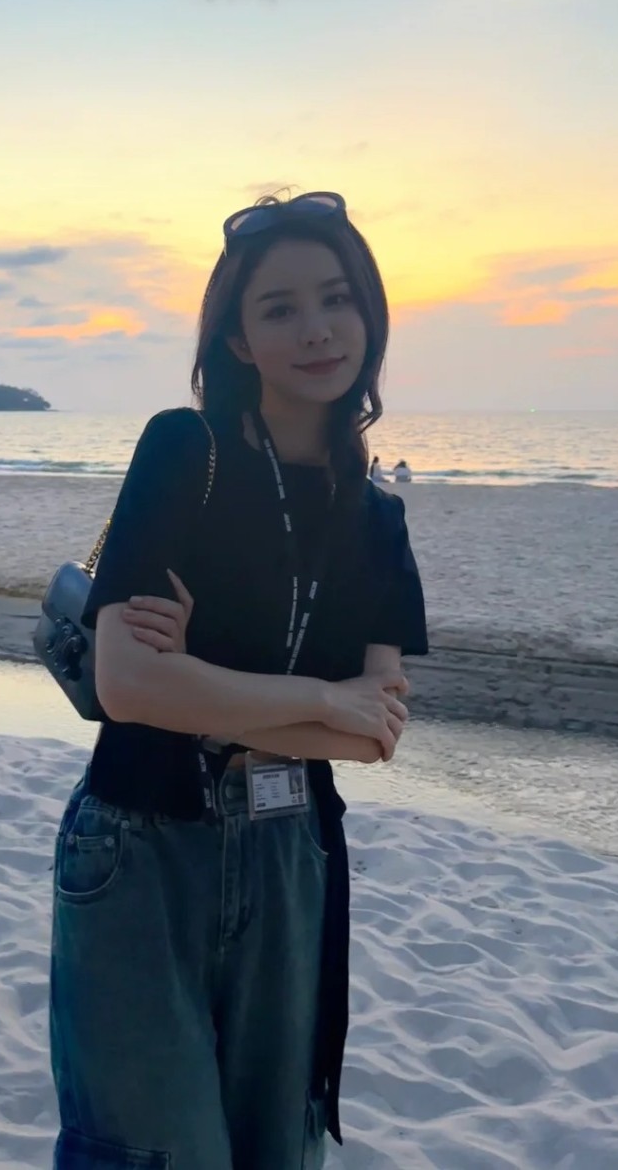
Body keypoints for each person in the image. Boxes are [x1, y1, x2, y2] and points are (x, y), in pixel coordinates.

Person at [50, 190, 428, 1170]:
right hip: (142, 845)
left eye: (337, 299)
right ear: (238, 338)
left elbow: (375, 736)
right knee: (150, 1152)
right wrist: (319, 698)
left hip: (291, 854)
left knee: (276, 1151)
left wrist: (201, 686)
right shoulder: (187, 451)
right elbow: (128, 687)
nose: (317, 329)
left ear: (370, 314)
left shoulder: (378, 520)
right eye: (279, 308)